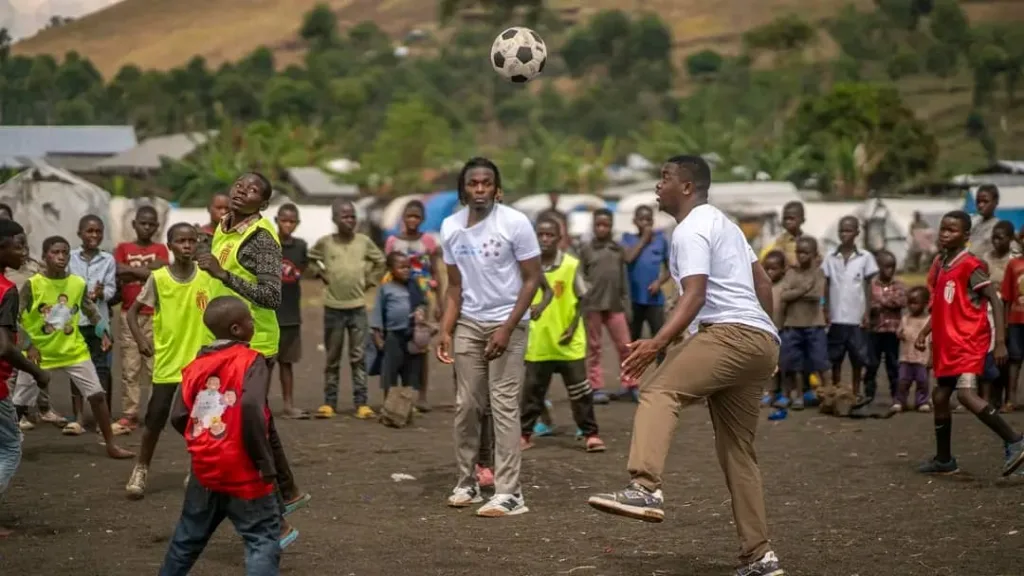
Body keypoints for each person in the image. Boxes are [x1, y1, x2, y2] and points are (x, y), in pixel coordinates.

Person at [587, 155, 785, 576]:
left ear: (688, 187)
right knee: (737, 452)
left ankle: (644, 487)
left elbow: (695, 293)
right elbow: (762, 284)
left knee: (659, 390)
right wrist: (768, 341)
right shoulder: (725, 225)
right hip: (759, 340)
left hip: (729, 333)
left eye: (665, 178)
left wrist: (658, 342)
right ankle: (760, 555)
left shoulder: (691, 228)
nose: (658, 186)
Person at [196, 172, 310, 520]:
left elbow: (272, 295)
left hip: (254, 342)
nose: (242, 189)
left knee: (248, 422)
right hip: (223, 340)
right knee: (256, 420)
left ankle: (273, 507)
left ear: (263, 204)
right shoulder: (225, 226)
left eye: (253, 189)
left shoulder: (261, 239)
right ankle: (287, 491)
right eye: (240, 184)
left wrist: (223, 275)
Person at [436, 157, 543, 517]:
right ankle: (467, 482)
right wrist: (446, 329)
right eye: (472, 184)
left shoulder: (515, 223)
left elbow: (532, 279)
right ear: (463, 189)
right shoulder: (450, 227)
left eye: (486, 183)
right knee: (467, 405)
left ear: (496, 188)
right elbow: (454, 286)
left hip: (509, 324)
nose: (479, 189)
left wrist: (508, 327)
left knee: (503, 406)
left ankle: (510, 493)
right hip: (469, 322)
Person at [159, 296, 282, 576]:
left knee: (187, 538)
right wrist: (265, 462)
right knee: (261, 538)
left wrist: (205, 442)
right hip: (244, 470)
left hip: (205, 467)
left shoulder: (195, 367)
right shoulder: (252, 360)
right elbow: (251, 408)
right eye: (250, 319)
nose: (254, 323)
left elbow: (179, 416)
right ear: (238, 330)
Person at [916, 210, 1024, 477]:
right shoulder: (941, 263)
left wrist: (1000, 341)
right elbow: (941, 307)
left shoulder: (970, 265)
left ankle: (1015, 440)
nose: (944, 234)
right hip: (948, 344)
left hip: (968, 342)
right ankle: (944, 460)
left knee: (965, 395)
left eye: (952, 230)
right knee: (940, 396)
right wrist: (925, 332)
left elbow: (995, 300)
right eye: (943, 228)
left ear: (965, 236)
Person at [12, 235, 133, 458]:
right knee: (19, 404)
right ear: (44, 256)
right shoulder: (33, 285)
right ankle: (7, 447)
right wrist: (28, 344)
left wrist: (103, 331)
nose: (60, 257)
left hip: (72, 350)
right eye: (55, 253)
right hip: (38, 353)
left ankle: (111, 445)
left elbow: (91, 310)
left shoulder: (77, 283)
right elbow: (15, 318)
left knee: (97, 395)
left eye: (65, 252)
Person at [124, 223, 214, 499]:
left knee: (199, 419)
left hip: (200, 363)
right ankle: (141, 468)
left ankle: (197, 469)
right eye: (181, 241)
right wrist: (141, 340)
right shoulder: (159, 278)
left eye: (192, 240)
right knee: (155, 419)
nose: (187, 245)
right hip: (168, 361)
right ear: (170, 246)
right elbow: (132, 313)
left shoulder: (208, 276)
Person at [519, 216, 604, 453]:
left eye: (550, 235)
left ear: (559, 238)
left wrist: (573, 326)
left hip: (568, 341)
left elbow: (583, 299)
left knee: (580, 391)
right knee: (532, 392)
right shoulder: (527, 267)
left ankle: (591, 434)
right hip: (539, 341)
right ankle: (524, 434)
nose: (545, 239)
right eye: (541, 235)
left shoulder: (570, 265)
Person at [309, 198, 386, 420]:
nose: (350, 220)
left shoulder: (363, 242)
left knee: (358, 356)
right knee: (332, 357)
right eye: (345, 216)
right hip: (333, 308)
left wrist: (370, 280)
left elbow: (380, 261)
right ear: (335, 219)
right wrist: (322, 274)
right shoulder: (325, 243)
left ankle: (361, 403)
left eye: (352, 216)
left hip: (357, 308)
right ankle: (329, 402)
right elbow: (311, 259)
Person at [0, 220, 51, 538]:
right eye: (17, 246)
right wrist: (37, 372)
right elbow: (4, 346)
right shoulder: (7, 290)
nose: (23, 253)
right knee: (10, 446)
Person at [113, 205, 170, 430]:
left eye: (150, 224)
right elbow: (117, 270)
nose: (146, 227)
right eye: (142, 223)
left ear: (156, 227)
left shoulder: (161, 248)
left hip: (155, 315)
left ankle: (155, 412)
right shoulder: (123, 247)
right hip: (129, 315)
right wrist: (147, 270)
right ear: (134, 224)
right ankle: (130, 413)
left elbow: (161, 273)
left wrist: (131, 271)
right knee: (130, 367)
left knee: (155, 367)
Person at [385, 200, 442, 411]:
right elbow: (387, 270)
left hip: (422, 300)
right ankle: (398, 394)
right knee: (398, 345)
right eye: (409, 216)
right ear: (403, 218)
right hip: (398, 299)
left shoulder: (427, 242)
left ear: (422, 219)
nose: (412, 220)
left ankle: (421, 395)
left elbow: (436, 272)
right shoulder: (393, 242)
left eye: (416, 217)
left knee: (421, 346)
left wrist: (440, 303)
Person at [68, 215, 121, 433]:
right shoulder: (70, 257)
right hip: (75, 321)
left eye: (98, 232)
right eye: (89, 231)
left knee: (102, 369)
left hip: (99, 323)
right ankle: (79, 418)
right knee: (77, 369)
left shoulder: (107, 260)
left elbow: (111, 290)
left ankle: (103, 420)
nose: (94, 236)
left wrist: (101, 293)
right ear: (79, 233)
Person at [578, 208, 633, 404]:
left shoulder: (617, 249)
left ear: (611, 227)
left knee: (626, 346)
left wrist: (627, 303)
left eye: (606, 225)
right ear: (593, 227)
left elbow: (624, 277)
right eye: (598, 225)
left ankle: (631, 384)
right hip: (593, 305)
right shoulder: (585, 249)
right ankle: (596, 387)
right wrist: (585, 294)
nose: (602, 228)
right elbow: (579, 275)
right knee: (594, 348)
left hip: (615, 304)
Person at [822, 215, 877, 401]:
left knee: (857, 357)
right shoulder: (830, 257)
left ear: (856, 233)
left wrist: (867, 312)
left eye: (848, 230)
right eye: (841, 231)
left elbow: (868, 286)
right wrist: (826, 309)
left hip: (856, 316)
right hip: (836, 316)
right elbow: (826, 285)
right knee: (835, 356)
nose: (844, 234)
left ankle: (856, 390)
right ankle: (837, 389)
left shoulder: (865, 257)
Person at [778, 237, 830, 412]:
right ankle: (798, 396)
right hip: (793, 324)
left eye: (806, 252)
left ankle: (829, 395)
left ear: (815, 255)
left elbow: (816, 295)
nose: (801, 256)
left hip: (815, 324)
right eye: (799, 252)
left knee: (821, 362)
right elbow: (784, 296)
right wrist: (803, 290)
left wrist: (796, 293)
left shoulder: (819, 273)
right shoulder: (791, 273)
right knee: (795, 364)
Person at [621, 205, 670, 368]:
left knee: (660, 339)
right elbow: (628, 258)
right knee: (632, 340)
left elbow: (671, 268)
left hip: (654, 299)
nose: (645, 223)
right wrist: (643, 240)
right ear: (634, 221)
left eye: (648, 220)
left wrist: (659, 282)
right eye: (641, 220)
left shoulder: (661, 240)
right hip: (634, 299)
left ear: (653, 221)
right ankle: (633, 378)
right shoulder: (628, 239)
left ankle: (661, 373)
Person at [371, 252, 427, 396]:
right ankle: (389, 405)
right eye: (401, 267)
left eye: (408, 267)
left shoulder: (414, 286)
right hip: (393, 336)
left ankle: (408, 405)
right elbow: (378, 312)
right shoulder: (386, 289)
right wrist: (377, 336)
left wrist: (421, 311)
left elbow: (422, 303)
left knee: (412, 371)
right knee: (390, 371)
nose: (406, 270)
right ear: (390, 269)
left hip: (412, 336)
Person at [274, 203, 309, 419]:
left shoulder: (300, 247)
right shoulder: (268, 245)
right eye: (284, 220)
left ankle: (288, 404)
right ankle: (260, 405)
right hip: (269, 313)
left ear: (297, 223)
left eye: (292, 221)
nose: (288, 225)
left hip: (291, 314)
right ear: (276, 220)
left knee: (287, 363)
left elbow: (303, 269)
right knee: (264, 364)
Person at [864, 250, 906, 406]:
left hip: (892, 331)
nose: (890, 270)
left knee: (893, 364)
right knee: (871, 364)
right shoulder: (871, 285)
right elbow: (869, 305)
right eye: (887, 266)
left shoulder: (898, 284)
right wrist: (885, 303)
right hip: (875, 331)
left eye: (892, 267)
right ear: (878, 267)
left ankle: (896, 396)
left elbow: (900, 301)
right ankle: (868, 395)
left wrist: (880, 302)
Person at [980, 220, 1015, 405]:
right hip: (987, 311)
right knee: (986, 352)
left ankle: (1002, 396)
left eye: (1000, 238)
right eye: (994, 237)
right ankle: (985, 396)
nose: (996, 241)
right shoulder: (986, 258)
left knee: (1005, 356)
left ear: (1010, 239)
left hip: (1008, 310)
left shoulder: (1014, 259)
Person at [895, 286, 931, 413]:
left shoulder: (928, 321)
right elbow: (899, 332)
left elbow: (932, 341)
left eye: (915, 303)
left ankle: (922, 402)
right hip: (906, 357)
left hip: (922, 358)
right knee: (903, 381)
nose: (911, 306)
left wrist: (932, 358)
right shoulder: (905, 319)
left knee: (922, 381)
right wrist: (900, 334)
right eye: (909, 303)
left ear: (925, 303)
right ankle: (900, 401)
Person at [762, 250, 786, 411]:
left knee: (785, 364)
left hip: (784, 330)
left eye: (774, 269)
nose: (770, 272)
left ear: (783, 269)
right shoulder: (761, 287)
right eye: (767, 269)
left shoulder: (785, 286)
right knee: (769, 365)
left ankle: (784, 392)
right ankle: (769, 392)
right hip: (767, 332)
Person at [1001, 241, 1024, 412]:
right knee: (1014, 360)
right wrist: (1005, 323)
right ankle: (1010, 400)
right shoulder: (1013, 264)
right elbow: (1007, 297)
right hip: (1016, 320)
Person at [760, 201, 806, 266]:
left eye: (791, 218)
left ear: (802, 220)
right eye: (785, 219)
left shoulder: (808, 242)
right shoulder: (780, 241)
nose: (788, 222)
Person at [969, 185, 1000, 257]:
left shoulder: (997, 227)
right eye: (978, 201)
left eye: (985, 201)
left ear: (995, 202)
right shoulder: (973, 222)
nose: (981, 205)